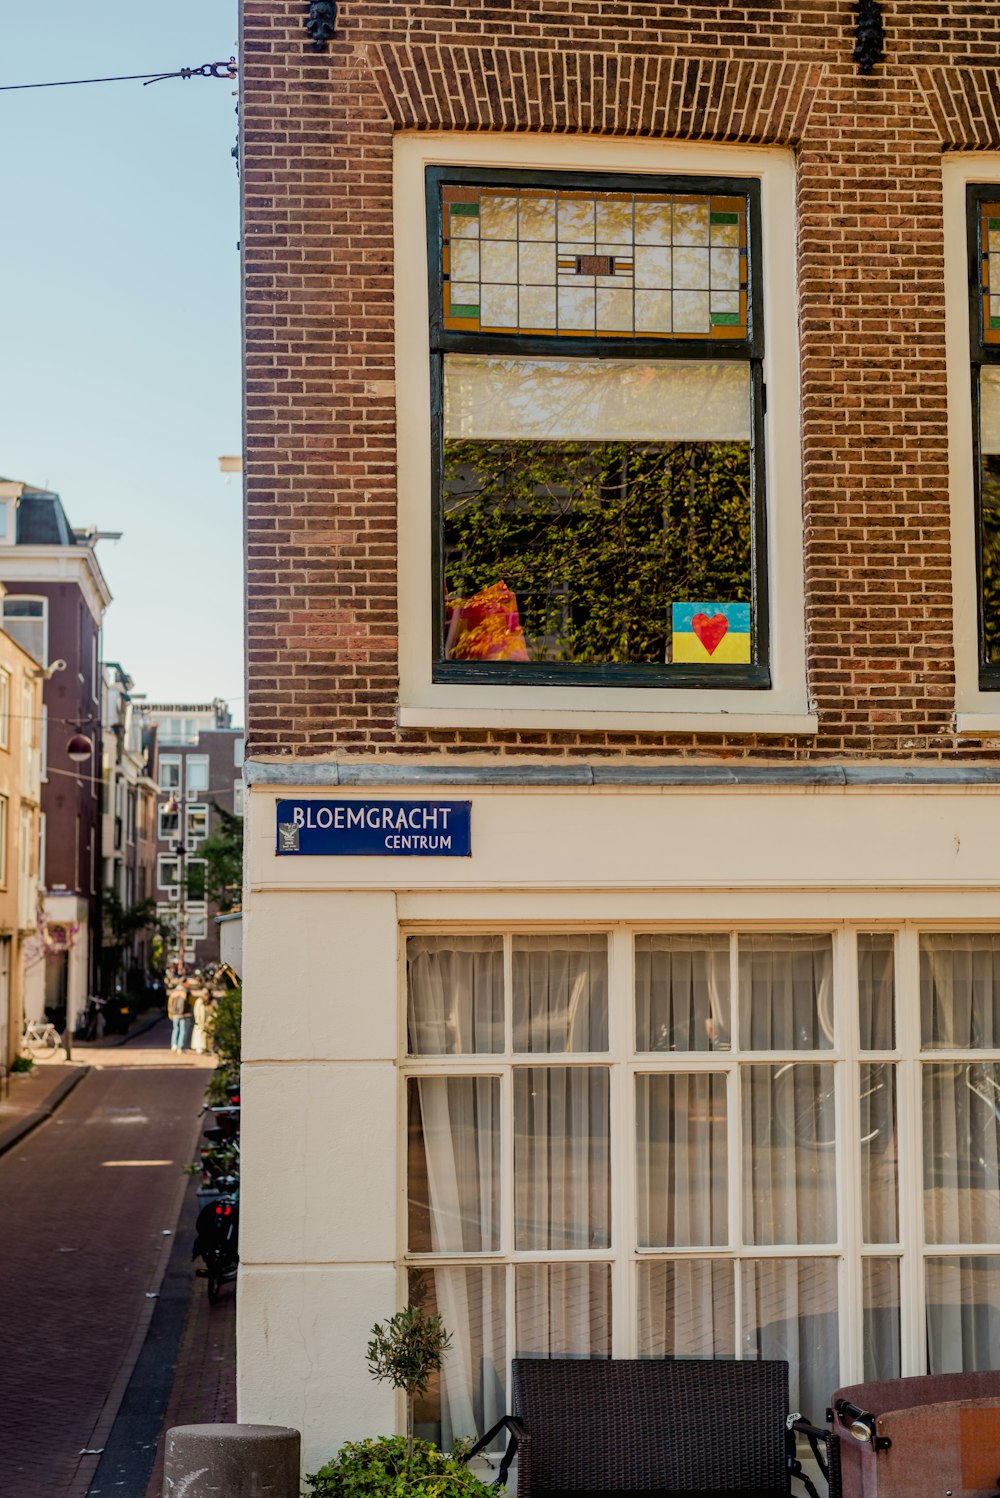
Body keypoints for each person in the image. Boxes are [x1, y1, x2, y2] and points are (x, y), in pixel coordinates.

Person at [168, 979, 189, 1052]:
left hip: (175, 1014)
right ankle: (180, 1046)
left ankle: (174, 1045)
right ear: (184, 983)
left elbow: (170, 1004)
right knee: (183, 1030)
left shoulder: (173, 993)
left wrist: (170, 1013)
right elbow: (192, 1002)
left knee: (175, 1029)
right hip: (184, 1014)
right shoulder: (186, 992)